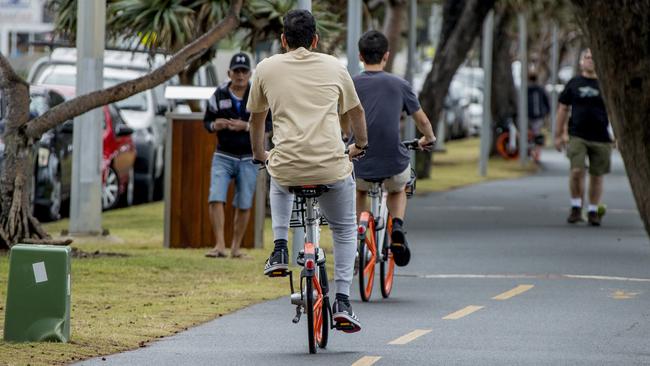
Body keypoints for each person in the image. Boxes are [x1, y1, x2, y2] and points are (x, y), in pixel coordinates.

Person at [248, 9, 368, 333]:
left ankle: (279, 248)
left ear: (283, 40)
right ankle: (342, 299)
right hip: (331, 165)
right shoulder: (334, 66)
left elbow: (256, 119)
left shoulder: (265, 68)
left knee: (277, 174)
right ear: (315, 40)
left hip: (287, 165)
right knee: (343, 230)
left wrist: (261, 155)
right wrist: (360, 145)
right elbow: (355, 111)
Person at [351, 30, 436, 267]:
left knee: (358, 189)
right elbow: (423, 121)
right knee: (399, 187)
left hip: (359, 160)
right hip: (392, 162)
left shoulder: (351, 84)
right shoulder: (400, 84)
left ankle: (359, 229)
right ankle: (397, 225)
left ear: (360, 56)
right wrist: (427, 138)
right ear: (386, 56)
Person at [203, 52, 269, 258]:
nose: (240, 76)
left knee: (244, 202)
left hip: (249, 157)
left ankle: (236, 248)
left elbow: (268, 124)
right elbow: (207, 121)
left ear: (250, 74)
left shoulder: (257, 94)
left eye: (244, 71)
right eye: (236, 71)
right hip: (223, 154)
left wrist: (247, 126)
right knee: (216, 196)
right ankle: (219, 245)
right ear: (229, 73)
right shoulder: (219, 94)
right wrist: (216, 125)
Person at [554, 48, 612, 226]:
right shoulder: (574, 83)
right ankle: (576, 206)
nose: (590, 60)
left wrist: (618, 137)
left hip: (601, 136)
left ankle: (593, 210)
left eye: (593, 58)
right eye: (586, 57)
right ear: (581, 62)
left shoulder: (605, 84)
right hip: (577, 134)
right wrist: (558, 134)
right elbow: (563, 109)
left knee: (597, 175)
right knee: (577, 170)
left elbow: (615, 112)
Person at [527, 70, 550, 161]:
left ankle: (534, 153)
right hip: (538, 116)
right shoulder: (540, 89)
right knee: (536, 135)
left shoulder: (529, 90)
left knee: (532, 135)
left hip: (532, 116)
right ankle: (535, 153)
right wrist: (546, 113)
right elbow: (547, 102)